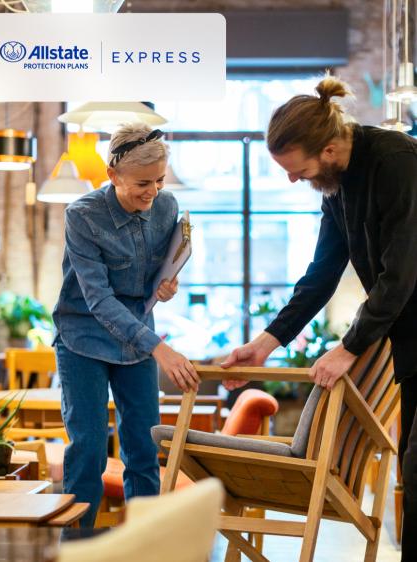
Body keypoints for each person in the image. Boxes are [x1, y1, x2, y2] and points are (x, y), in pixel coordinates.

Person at [222, 75, 417, 560]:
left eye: (299, 169)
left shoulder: (397, 163)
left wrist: (347, 347)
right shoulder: (336, 184)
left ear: (329, 148)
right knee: (410, 476)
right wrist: (266, 342)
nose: (294, 179)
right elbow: (321, 273)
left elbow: (401, 273)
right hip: (409, 342)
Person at [52, 123, 199, 527]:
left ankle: (143, 546)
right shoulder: (82, 216)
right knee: (88, 450)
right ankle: (77, 550)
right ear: (112, 175)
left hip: (136, 340)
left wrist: (165, 284)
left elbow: (159, 266)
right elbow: (98, 299)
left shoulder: (166, 207)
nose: (152, 192)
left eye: (159, 181)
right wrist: (160, 347)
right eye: (141, 183)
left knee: (143, 450)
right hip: (83, 337)